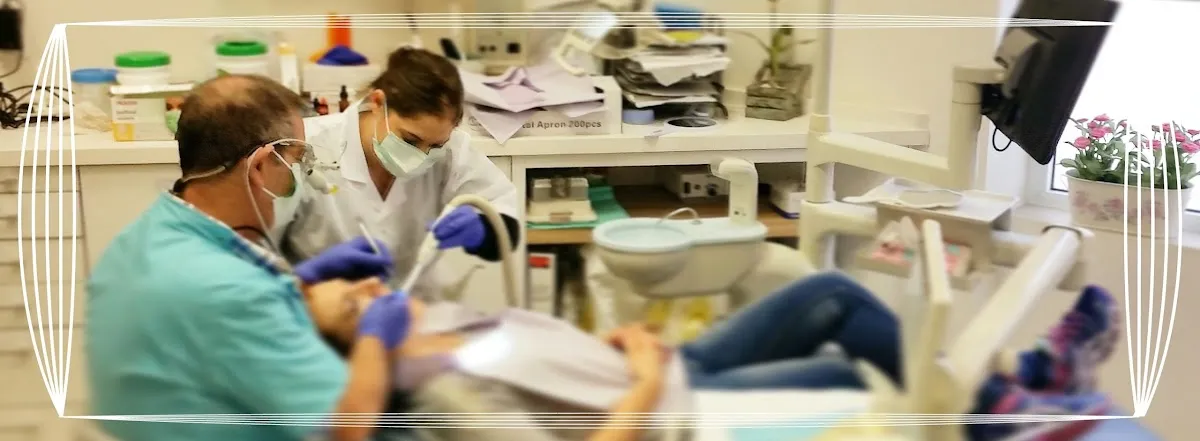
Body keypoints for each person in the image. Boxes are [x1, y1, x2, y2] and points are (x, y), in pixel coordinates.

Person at [306, 271, 1122, 441]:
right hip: (673, 404)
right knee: (852, 376)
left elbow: (547, 355)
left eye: (360, 278)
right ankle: (1006, 398)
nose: (373, 286)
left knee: (831, 293)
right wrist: (644, 377)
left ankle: (1009, 392)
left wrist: (614, 342)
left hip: (668, 364)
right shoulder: (439, 394)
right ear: (361, 349)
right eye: (355, 301)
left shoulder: (446, 321)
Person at [86, 74, 416, 441]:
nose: (305, 177)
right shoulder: (229, 291)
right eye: (297, 160)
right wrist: (375, 336)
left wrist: (295, 284)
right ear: (260, 167)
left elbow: (211, 331)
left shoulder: (139, 240)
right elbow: (345, 428)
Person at [279, 47, 519, 298]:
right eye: (410, 140)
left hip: (414, 304)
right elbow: (259, 255)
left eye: (435, 146)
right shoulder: (305, 146)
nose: (422, 155)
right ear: (377, 102)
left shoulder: (452, 150)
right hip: (319, 306)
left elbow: (505, 223)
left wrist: (482, 231)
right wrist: (306, 277)